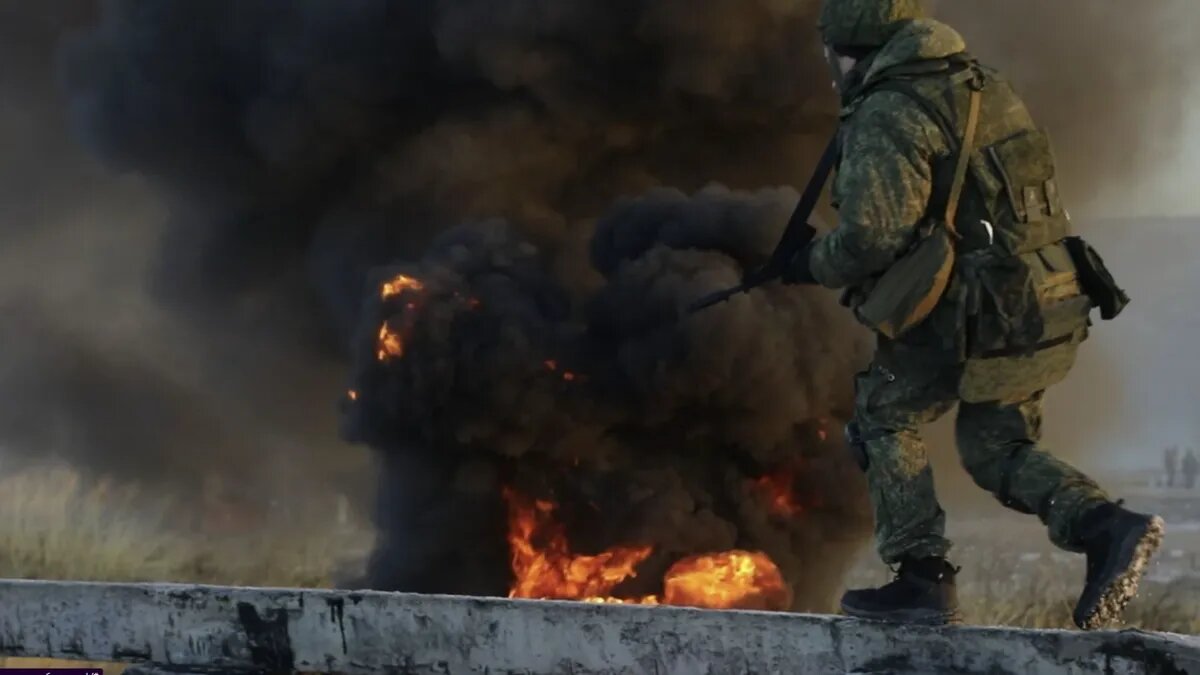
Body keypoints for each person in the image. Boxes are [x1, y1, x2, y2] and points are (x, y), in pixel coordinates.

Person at [783, 0, 1164, 629]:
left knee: (884, 412)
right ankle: (1105, 527)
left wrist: (810, 265)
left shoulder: (892, 109)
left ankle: (921, 580)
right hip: (1049, 297)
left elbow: (873, 238)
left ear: (849, 47)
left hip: (984, 311)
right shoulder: (981, 85)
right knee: (994, 445)